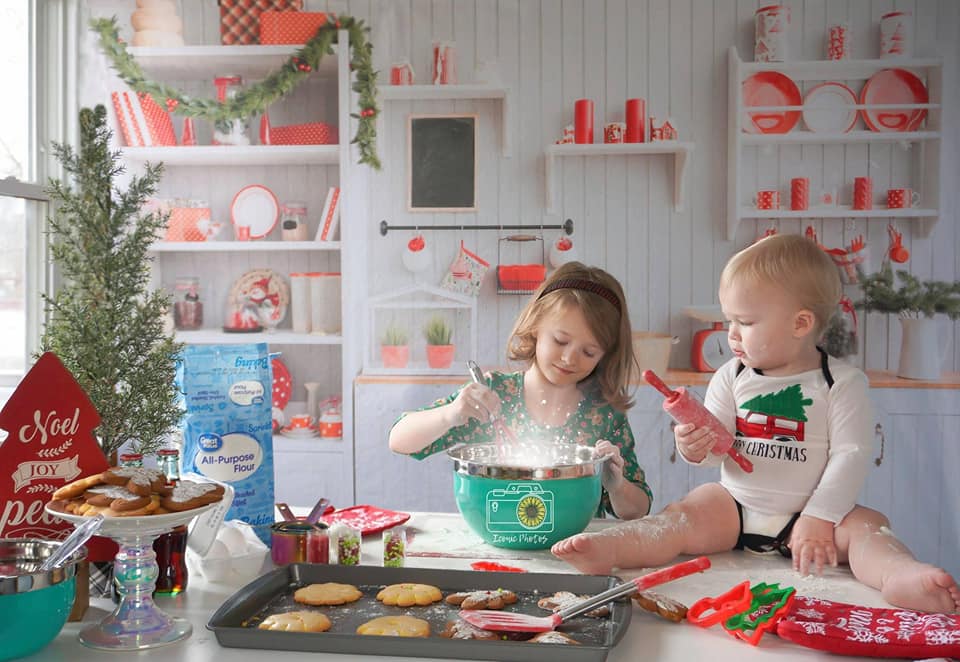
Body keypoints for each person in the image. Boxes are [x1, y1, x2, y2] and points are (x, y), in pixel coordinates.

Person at [552, 234, 960, 614]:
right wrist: (694, 447)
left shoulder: (841, 383)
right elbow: (718, 451)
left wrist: (820, 516)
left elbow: (850, 457)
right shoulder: (731, 376)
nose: (731, 334)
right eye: (729, 320)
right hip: (735, 507)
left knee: (869, 529)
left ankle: (900, 575)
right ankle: (611, 548)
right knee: (680, 516)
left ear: (800, 324)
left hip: (813, 517)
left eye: (744, 323)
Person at [388, 261, 652, 520]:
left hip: (577, 548)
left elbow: (638, 509)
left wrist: (617, 486)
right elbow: (399, 441)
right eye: (560, 340)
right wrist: (450, 414)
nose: (569, 359)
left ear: (605, 355)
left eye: (589, 352)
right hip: (498, 541)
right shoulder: (492, 395)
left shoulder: (604, 414)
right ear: (536, 325)